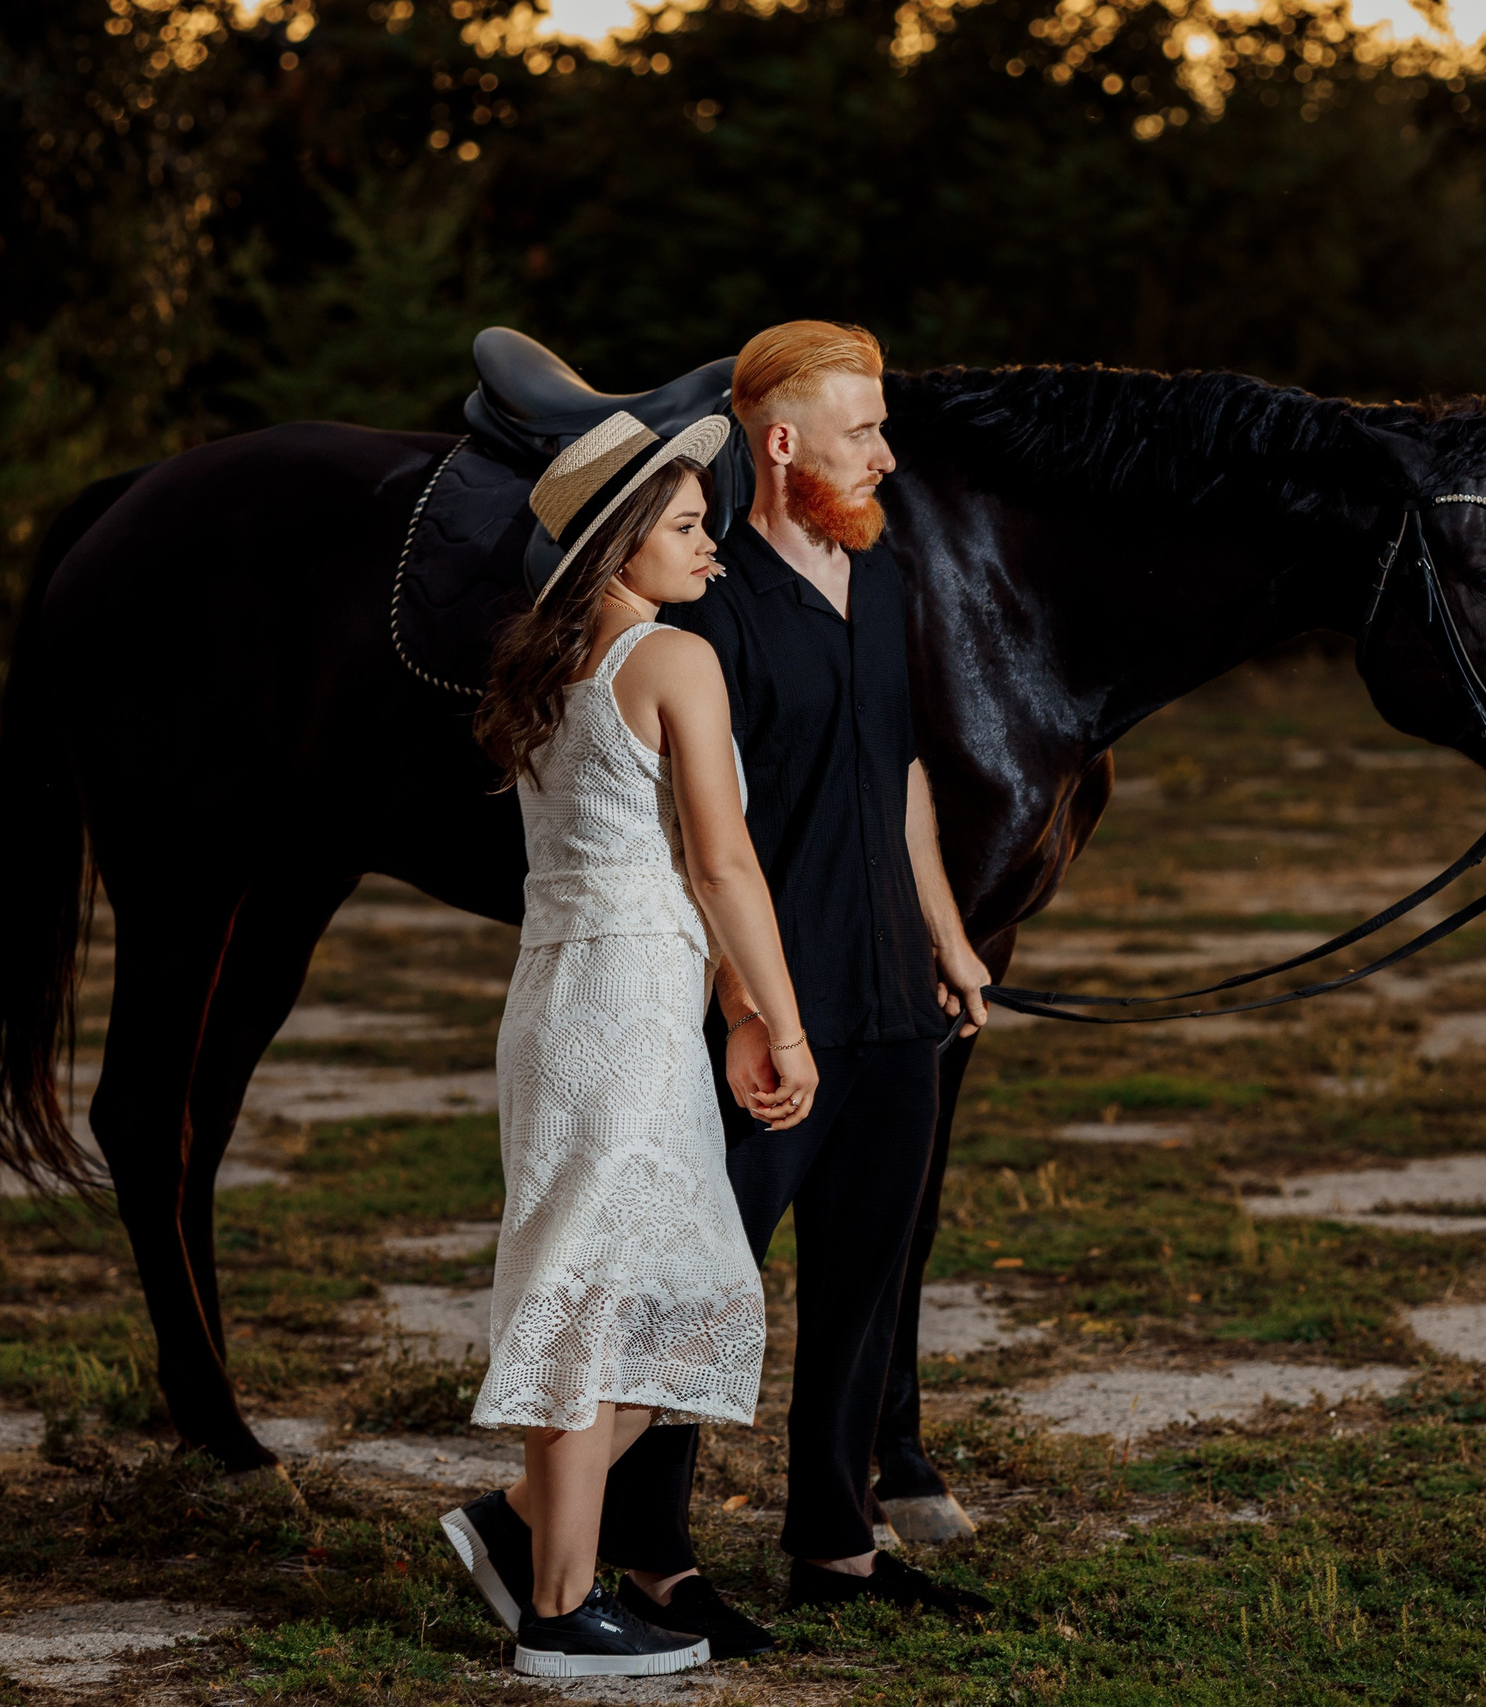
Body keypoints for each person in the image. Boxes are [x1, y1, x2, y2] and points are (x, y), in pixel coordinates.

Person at [599, 319, 997, 1650]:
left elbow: (901, 773)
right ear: (782, 442)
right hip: (768, 1000)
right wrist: (741, 1001)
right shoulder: (706, 596)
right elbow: (681, 832)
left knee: (865, 1274)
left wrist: (947, 933)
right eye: (862, 430)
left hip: (892, 988)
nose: (887, 451)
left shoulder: (881, 575)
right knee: (704, 1279)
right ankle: (649, 1557)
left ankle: (837, 1539)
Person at [440, 411, 820, 1679]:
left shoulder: (548, 666)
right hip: (622, 999)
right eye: (681, 525)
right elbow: (718, 862)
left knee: (658, 1289)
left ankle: (525, 1525)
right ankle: (557, 1610)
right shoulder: (672, 660)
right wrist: (777, 1013)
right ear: (615, 550)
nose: (708, 545)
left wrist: (721, 1002)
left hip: (567, 997)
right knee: (610, 1296)